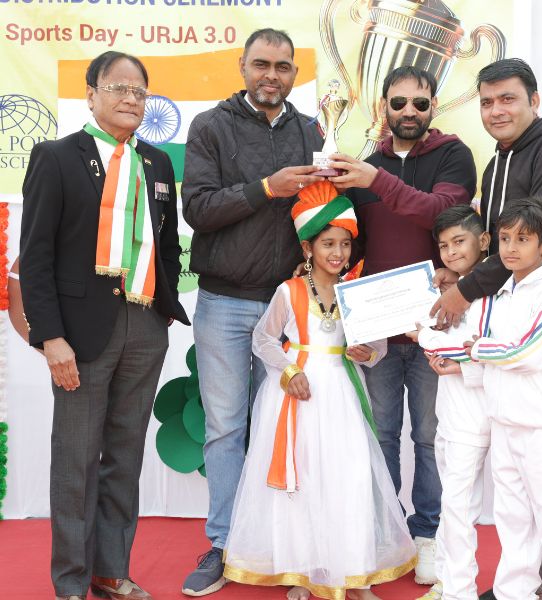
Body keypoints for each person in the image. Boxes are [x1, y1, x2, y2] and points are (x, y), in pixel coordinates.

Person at [431, 58, 542, 598]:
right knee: (514, 478)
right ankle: (524, 583)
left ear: (534, 100)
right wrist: (457, 276)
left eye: (507, 98)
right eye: (487, 102)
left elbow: (535, 241)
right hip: (506, 319)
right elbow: (496, 250)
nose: (496, 110)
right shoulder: (497, 163)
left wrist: (463, 291)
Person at [19, 51, 189, 600]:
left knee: (125, 455)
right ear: (91, 94)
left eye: (139, 92)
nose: (130, 99)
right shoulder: (56, 157)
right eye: (118, 88)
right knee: (76, 460)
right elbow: (35, 256)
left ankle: (110, 571)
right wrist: (51, 338)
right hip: (80, 334)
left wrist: (163, 310)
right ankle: (71, 581)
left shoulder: (157, 163)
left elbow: (167, 246)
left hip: (145, 327)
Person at [180, 28, 325, 596]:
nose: (271, 75)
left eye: (282, 67)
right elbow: (197, 209)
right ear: (243, 66)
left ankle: (283, 545)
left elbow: (325, 212)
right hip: (222, 302)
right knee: (225, 428)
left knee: (286, 428)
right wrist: (266, 187)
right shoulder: (210, 126)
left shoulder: (312, 130)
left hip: (288, 306)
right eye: (261, 64)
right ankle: (223, 543)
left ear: (295, 74)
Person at [223, 181, 417, 600]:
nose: (338, 253)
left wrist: (366, 352)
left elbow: (377, 348)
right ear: (308, 248)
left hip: (342, 394)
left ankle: (355, 574)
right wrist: (289, 370)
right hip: (300, 395)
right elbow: (263, 339)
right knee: (304, 480)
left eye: (345, 244)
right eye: (328, 243)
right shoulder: (289, 290)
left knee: (349, 478)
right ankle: (302, 572)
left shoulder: (356, 291)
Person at [329, 66, 477, 584]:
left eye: (419, 102)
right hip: (378, 330)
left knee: (432, 438)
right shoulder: (366, 168)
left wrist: (375, 181)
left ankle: (428, 534)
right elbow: (358, 246)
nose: (409, 112)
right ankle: (385, 532)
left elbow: (440, 213)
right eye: (398, 103)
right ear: (383, 108)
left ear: (434, 105)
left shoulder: (453, 155)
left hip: (438, 325)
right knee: (382, 435)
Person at [468, 197, 542, 600]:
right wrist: (457, 358)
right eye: (505, 238)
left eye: (523, 239)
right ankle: (513, 593)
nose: (511, 247)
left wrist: (476, 349)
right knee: (512, 519)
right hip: (504, 423)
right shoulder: (502, 294)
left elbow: (526, 352)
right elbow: (487, 356)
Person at [407, 205, 491, 600]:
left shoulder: (490, 292)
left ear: (484, 241)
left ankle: (458, 590)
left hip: (476, 416)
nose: (452, 251)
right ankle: (447, 582)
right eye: (444, 245)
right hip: (452, 413)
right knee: (454, 503)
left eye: (460, 241)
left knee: (459, 506)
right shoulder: (458, 288)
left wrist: (424, 336)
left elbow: (479, 349)